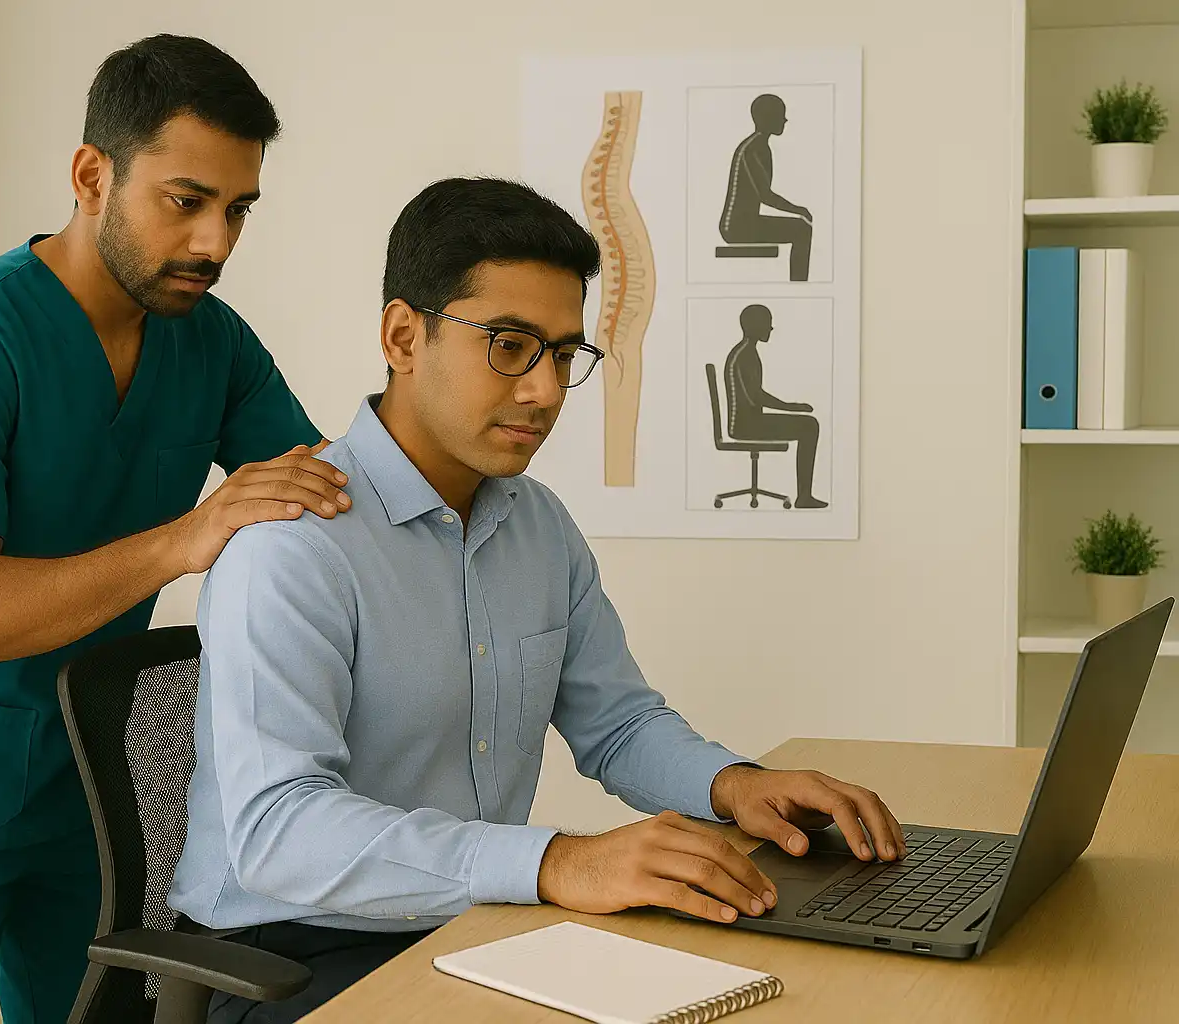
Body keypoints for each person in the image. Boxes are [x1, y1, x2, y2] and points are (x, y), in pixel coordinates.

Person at [169, 177, 901, 1023]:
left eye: (562, 354)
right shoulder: (290, 546)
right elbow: (277, 835)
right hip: (285, 960)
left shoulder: (536, 525)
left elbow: (618, 723)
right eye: (511, 345)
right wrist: (557, 863)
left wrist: (734, 786)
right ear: (403, 336)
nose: (547, 391)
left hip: (471, 927)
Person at [0, 34, 353, 1024]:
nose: (215, 244)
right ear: (92, 175)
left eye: (238, 210)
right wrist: (184, 541)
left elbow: (327, 499)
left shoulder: (209, 343)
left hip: (79, 787)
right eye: (185, 201)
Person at [724, 303, 827, 508]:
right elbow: (756, 397)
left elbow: (755, 396)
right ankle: (804, 497)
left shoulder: (747, 352)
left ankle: (805, 496)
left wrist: (793, 408)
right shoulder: (743, 354)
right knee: (809, 425)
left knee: (808, 424)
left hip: (751, 421)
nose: (770, 328)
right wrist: (792, 407)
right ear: (754, 326)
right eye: (767, 323)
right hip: (745, 426)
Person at [718, 93, 812, 281]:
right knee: (802, 229)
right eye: (780, 115)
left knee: (802, 228)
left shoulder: (759, 146)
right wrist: (798, 210)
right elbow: (765, 195)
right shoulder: (754, 148)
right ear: (766, 119)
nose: (785, 120)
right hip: (735, 227)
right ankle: (799, 286)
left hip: (745, 222)